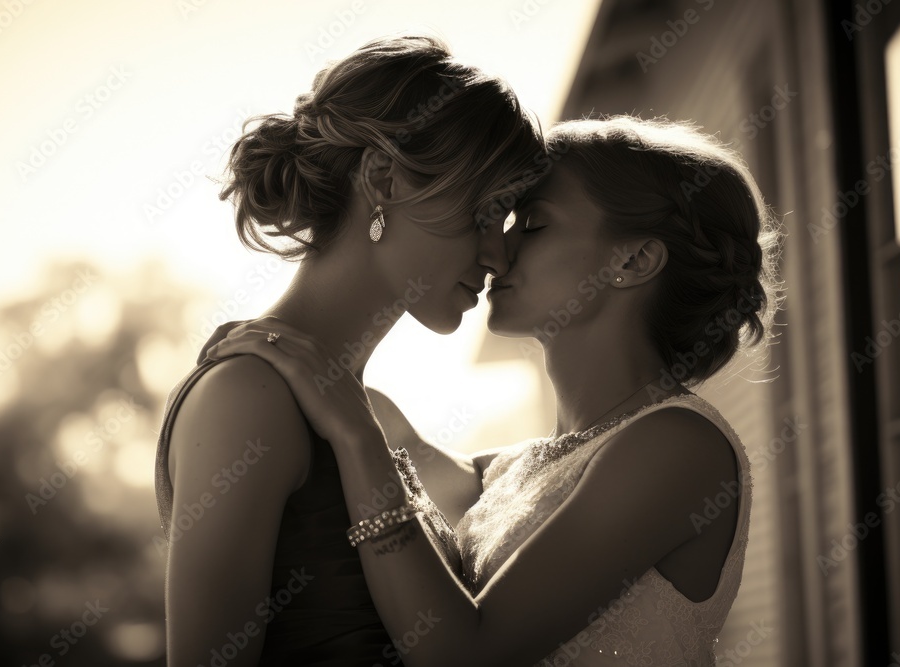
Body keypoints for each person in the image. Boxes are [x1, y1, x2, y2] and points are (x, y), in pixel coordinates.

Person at [206, 115, 783, 666]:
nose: (495, 251)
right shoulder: (512, 472)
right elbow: (409, 450)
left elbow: (461, 654)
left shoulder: (679, 447)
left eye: (531, 224)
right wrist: (299, 360)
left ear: (633, 259)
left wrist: (355, 433)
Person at [153, 35, 547, 666]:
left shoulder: (365, 412)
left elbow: (523, 481)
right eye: (483, 214)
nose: (499, 256)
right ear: (383, 178)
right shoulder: (247, 398)